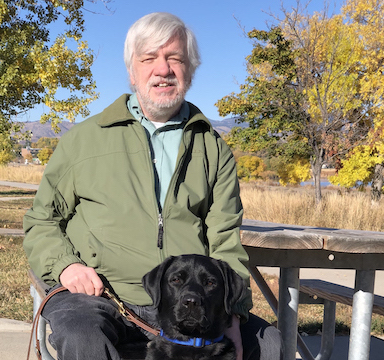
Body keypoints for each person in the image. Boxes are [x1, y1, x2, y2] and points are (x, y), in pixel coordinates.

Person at [23, 12, 283, 360]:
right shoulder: (84, 140)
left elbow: (224, 237)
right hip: (101, 298)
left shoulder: (212, 147)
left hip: (191, 301)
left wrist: (233, 309)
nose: (162, 69)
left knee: (268, 344)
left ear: (189, 70)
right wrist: (67, 266)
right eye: (149, 59)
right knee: (82, 335)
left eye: (174, 58)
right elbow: (41, 221)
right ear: (132, 70)